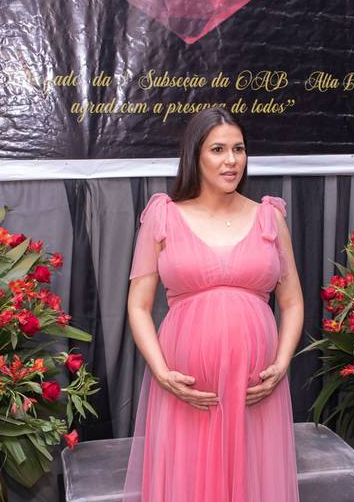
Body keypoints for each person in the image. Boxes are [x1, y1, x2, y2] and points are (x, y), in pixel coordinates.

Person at [123, 108, 303, 501]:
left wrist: (281, 363)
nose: (231, 160)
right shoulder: (163, 216)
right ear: (195, 155)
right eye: (218, 149)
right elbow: (138, 305)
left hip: (256, 393)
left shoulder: (269, 217)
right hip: (186, 395)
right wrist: (162, 373)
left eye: (239, 149)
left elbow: (291, 302)